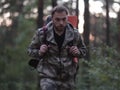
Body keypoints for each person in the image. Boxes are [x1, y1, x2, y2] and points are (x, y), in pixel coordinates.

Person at [27, 5, 87, 90]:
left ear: (67, 18)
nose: (61, 22)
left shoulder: (74, 34)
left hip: (68, 78)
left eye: (64, 19)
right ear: (52, 19)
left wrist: (78, 52)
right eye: (57, 19)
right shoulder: (42, 33)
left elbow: (83, 50)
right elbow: (30, 50)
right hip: (48, 77)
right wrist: (39, 52)